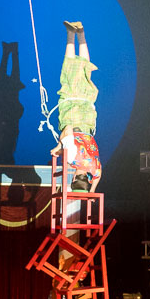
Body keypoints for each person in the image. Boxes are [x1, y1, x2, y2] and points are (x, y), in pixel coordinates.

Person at [50, 21, 101, 192]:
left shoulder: (94, 168)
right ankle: (71, 34)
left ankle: (81, 33)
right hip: (74, 114)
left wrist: (91, 191)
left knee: (85, 72)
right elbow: (69, 129)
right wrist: (59, 147)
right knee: (69, 70)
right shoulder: (72, 158)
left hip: (88, 117)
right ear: (74, 178)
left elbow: (98, 176)